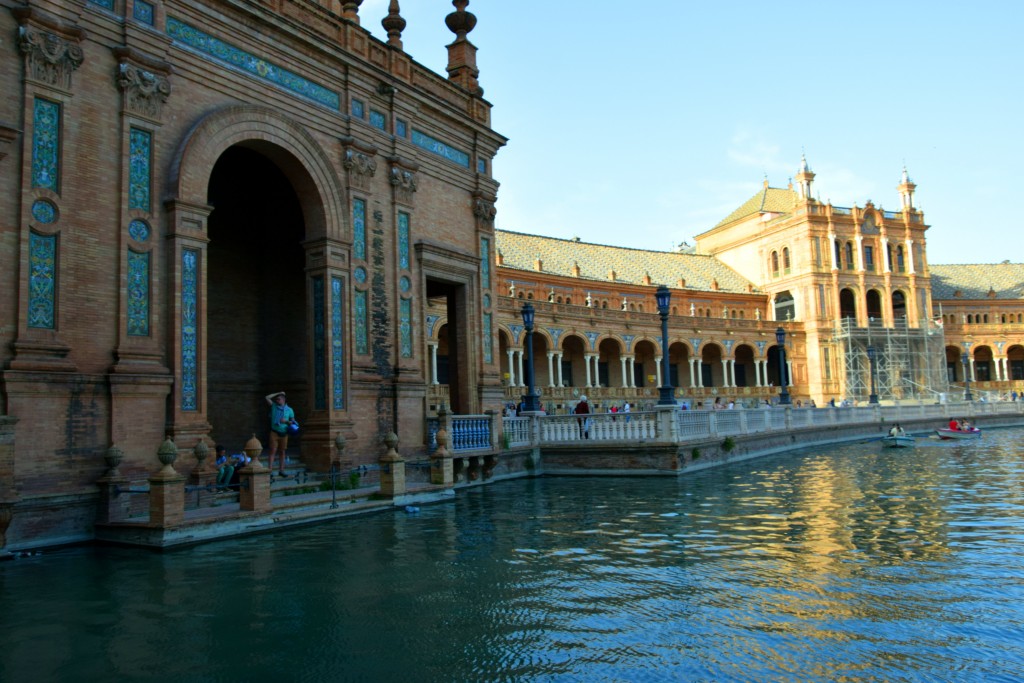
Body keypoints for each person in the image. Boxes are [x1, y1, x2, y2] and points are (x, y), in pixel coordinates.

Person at [265, 391, 296, 476]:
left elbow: (294, 423)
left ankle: (281, 470)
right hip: (274, 432)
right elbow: (267, 397)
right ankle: (269, 470)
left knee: (282, 451)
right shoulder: (274, 406)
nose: (277, 401)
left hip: (284, 433)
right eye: (276, 399)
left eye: (278, 399)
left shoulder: (289, 410)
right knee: (273, 450)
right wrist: (278, 393)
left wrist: (286, 421)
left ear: (283, 400)